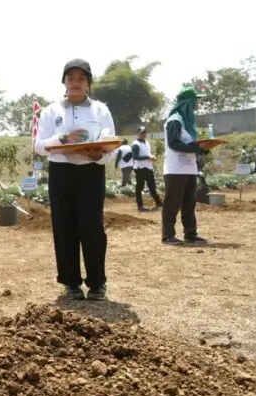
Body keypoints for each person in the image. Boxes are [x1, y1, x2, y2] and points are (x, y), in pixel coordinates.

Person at [34, 59, 116, 301]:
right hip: (61, 174)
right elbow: (39, 146)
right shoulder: (51, 111)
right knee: (64, 227)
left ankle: (97, 283)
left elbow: (111, 145)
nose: (76, 83)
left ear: (88, 83)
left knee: (92, 228)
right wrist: (63, 139)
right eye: (71, 78)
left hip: (91, 172)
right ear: (64, 82)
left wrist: (98, 154)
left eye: (81, 78)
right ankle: (70, 283)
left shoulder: (101, 110)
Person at [161, 87, 208, 246]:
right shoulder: (175, 120)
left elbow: (189, 143)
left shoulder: (188, 122)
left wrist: (203, 149)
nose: (197, 103)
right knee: (172, 203)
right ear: (187, 102)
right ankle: (168, 235)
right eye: (195, 100)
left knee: (189, 202)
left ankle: (191, 234)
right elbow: (174, 143)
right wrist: (196, 148)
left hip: (189, 168)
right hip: (175, 169)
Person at [131, 126, 162, 211]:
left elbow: (147, 153)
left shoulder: (146, 142)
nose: (144, 134)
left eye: (145, 132)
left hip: (148, 167)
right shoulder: (135, 144)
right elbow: (135, 157)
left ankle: (158, 202)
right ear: (138, 134)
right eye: (142, 133)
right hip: (140, 168)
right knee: (139, 187)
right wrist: (148, 157)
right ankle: (140, 206)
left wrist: (152, 157)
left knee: (152, 186)